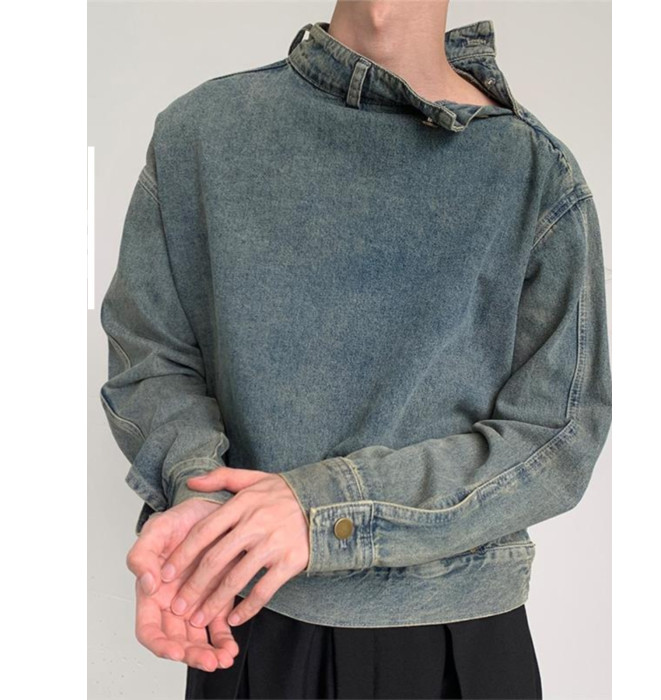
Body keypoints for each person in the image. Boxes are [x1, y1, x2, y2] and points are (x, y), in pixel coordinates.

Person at [99, 1, 612, 698]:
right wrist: (201, 499)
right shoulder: (201, 133)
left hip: (453, 635)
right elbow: (152, 358)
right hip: (249, 620)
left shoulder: (533, 174)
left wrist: (322, 512)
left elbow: (557, 439)